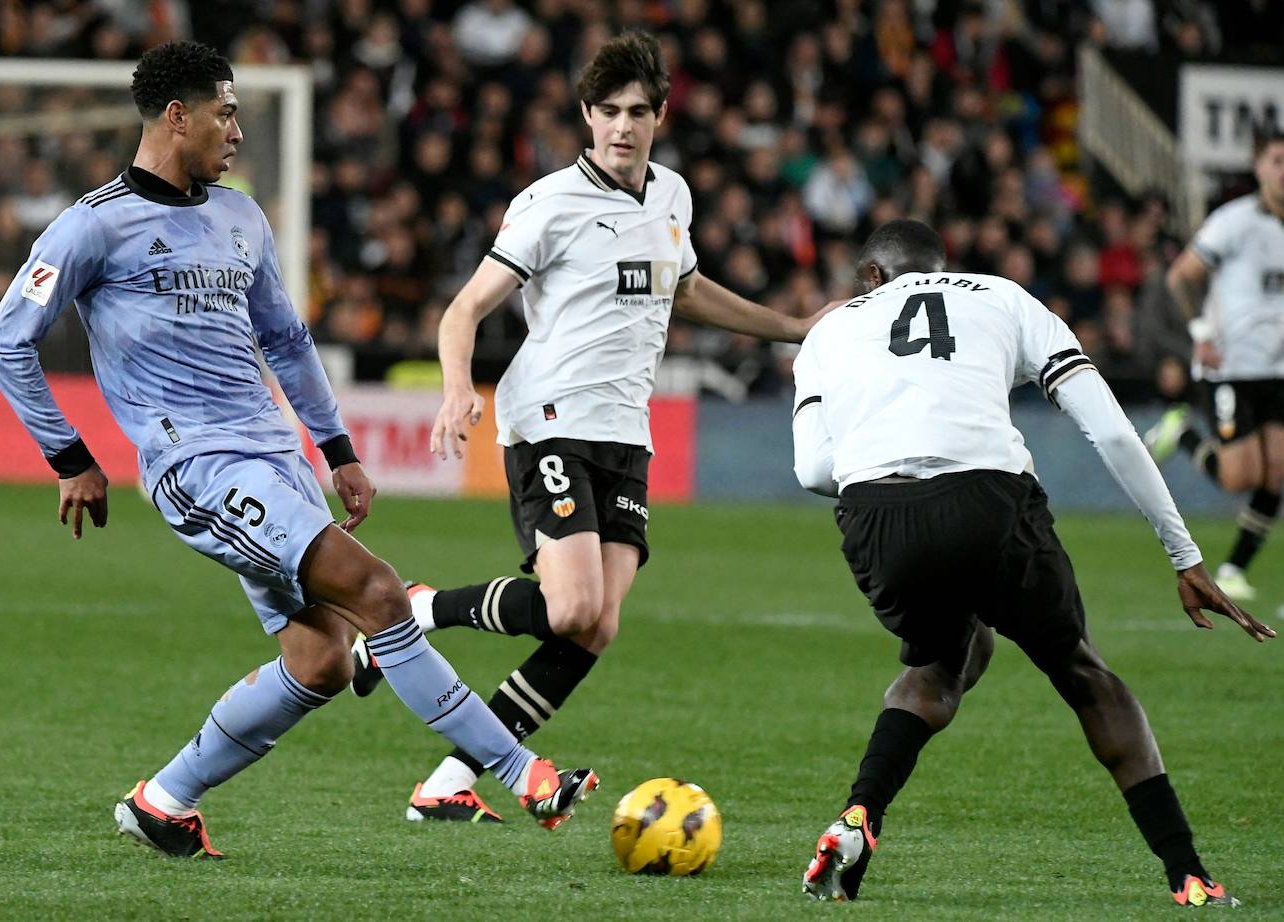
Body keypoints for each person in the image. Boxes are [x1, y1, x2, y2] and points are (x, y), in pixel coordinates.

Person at [0, 41, 596, 859]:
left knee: (321, 662)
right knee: (379, 592)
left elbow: (287, 338)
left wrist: (336, 448)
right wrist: (71, 459)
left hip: (277, 460)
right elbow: (4, 342)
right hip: (196, 466)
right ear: (178, 116)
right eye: (225, 112)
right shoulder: (92, 225)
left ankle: (164, 802)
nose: (237, 129)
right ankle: (524, 775)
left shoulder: (240, 215)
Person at [349, 30, 824, 822]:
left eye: (638, 111)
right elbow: (464, 307)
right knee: (568, 608)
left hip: (626, 435)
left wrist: (795, 326)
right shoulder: (547, 204)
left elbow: (691, 291)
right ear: (586, 114)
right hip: (551, 421)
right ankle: (414, 609)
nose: (622, 127)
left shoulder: (672, 195)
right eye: (607, 111)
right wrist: (457, 388)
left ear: (661, 115)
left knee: (596, 626)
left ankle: (448, 782)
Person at [791, 219, 1273, 906]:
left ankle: (860, 813)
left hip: (876, 515)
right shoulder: (1001, 296)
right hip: (988, 498)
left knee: (938, 663)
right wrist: (1184, 552)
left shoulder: (827, 332)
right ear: (940, 263)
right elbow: (1108, 426)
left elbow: (812, 469)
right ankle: (1188, 872)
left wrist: (892, 454)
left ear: (871, 277)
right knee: (1083, 671)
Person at [1143, 129, 1284, 600]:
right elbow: (1180, 276)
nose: (1283, 172)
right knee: (1239, 478)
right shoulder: (1235, 221)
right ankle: (1182, 434)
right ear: (1259, 166)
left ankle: (1233, 569)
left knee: (1278, 472)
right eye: (1277, 161)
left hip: (1278, 370)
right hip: (1230, 368)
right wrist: (1201, 335)